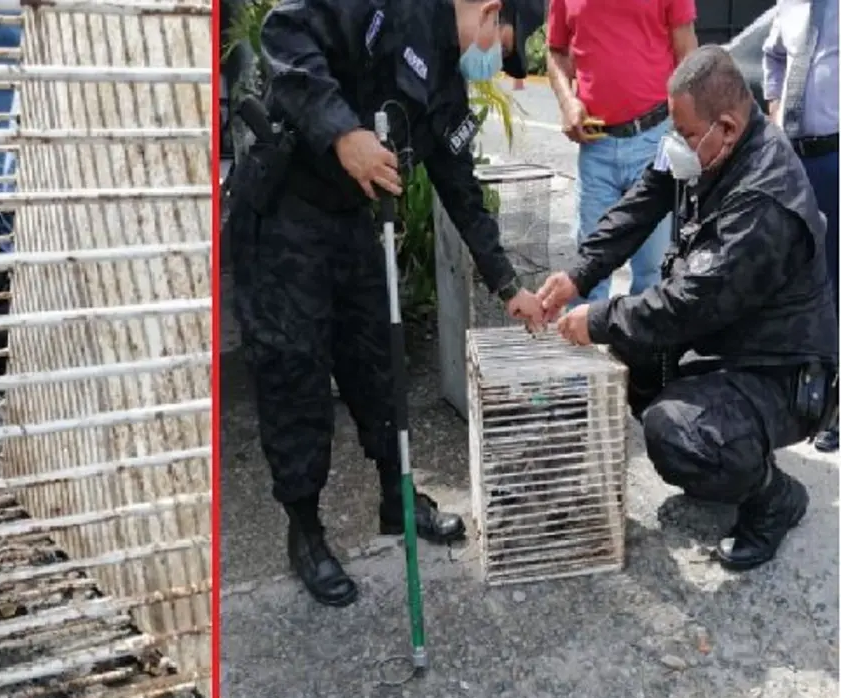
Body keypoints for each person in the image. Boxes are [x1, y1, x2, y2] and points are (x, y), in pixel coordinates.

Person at [225, 0, 546, 608]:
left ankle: (397, 499)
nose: (493, 61)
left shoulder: (447, 79)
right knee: (293, 373)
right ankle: (306, 532)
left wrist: (509, 285)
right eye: (501, 44)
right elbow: (285, 33)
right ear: (490, 11)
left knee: (380, 360)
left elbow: (460, 188)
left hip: (350, 221)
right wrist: (343, 133)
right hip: (286, 213)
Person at [537, 46, 837, 572]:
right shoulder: (706, 145)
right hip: (728, 337)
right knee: (635, 351)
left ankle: (773, 498)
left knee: (673, 431)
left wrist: (600, 320)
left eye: (684, 133)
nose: (673, 143)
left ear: (726, 126)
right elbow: (641, 203)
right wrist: (579, 275)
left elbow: (686, 305)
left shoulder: (764, 200)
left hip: (782, 371)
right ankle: (726, 450)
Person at [546, 0, 698, 306]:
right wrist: (567, 102)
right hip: (596, 143)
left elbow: (687, 51)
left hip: (654, 139)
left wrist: (686, 126)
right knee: (587, 271)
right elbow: (556, 52)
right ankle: (583, 350)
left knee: (652, 269)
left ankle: (643, 350)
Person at [763, 0, 840, 453]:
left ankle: (834, 407)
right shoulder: (790, 5)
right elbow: (773, 55)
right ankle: (799, 393)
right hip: (793, 160)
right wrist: (774, 108)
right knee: (795, 277)